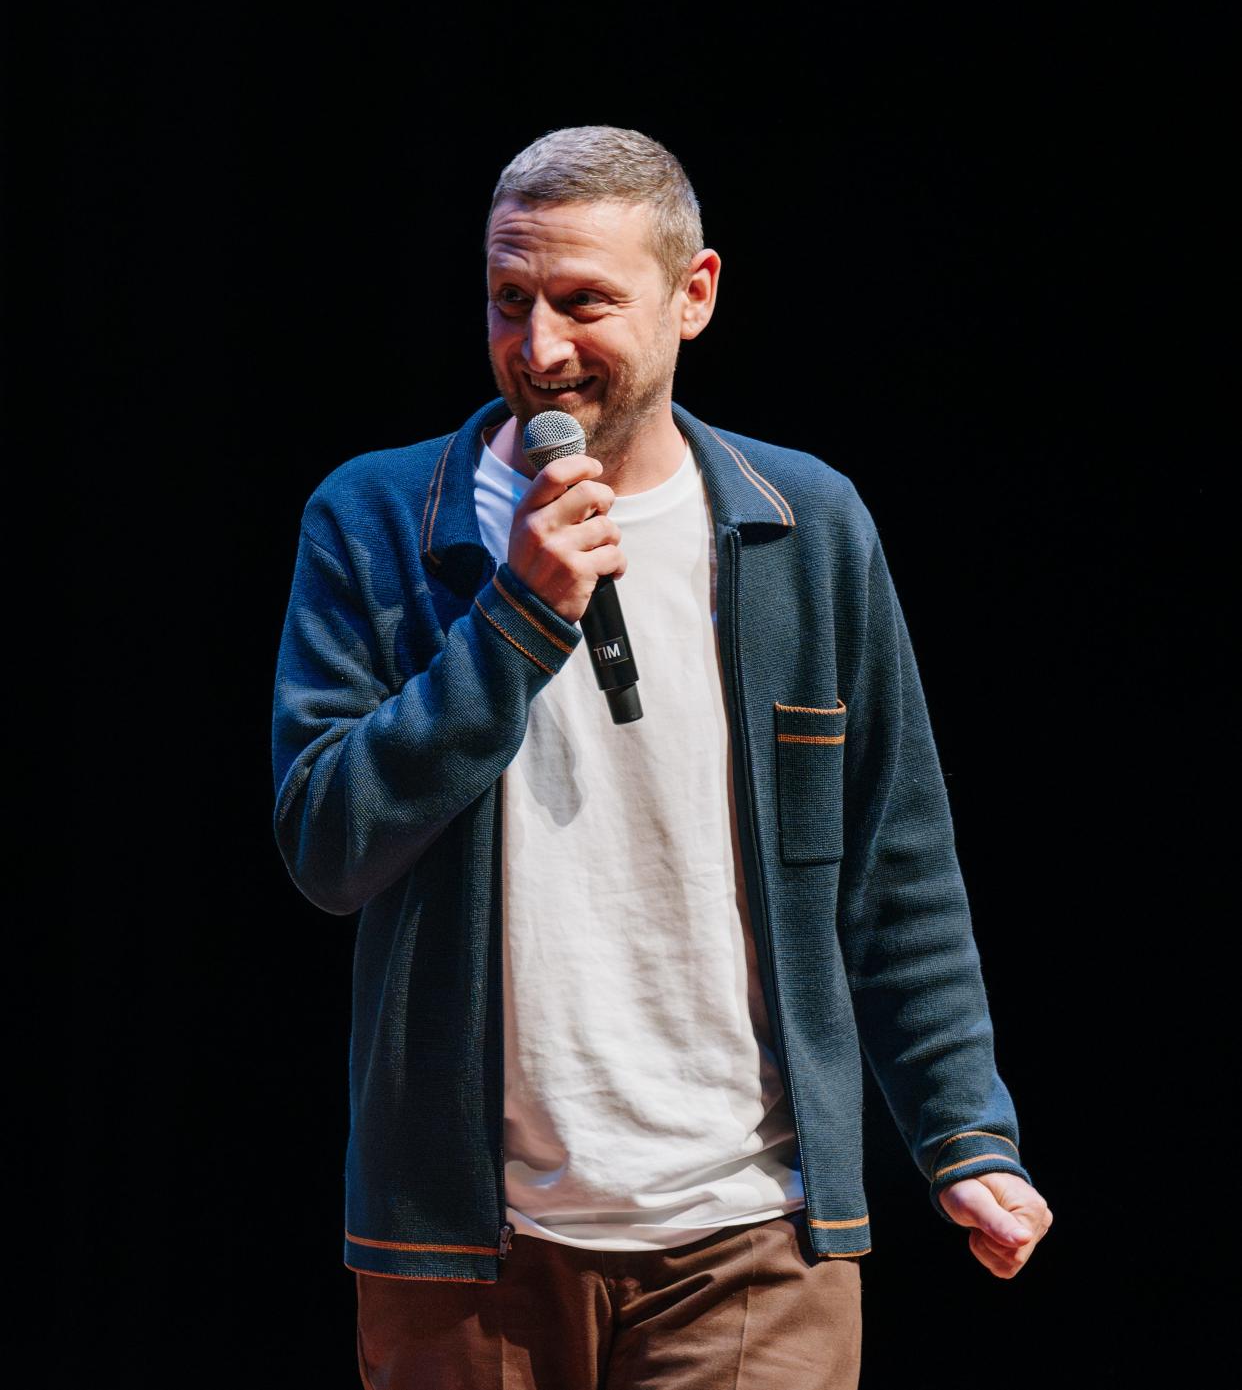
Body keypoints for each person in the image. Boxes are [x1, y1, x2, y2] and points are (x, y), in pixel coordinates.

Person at [271, 125, 1052, 1389]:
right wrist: (517, 618)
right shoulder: (376, 519)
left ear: (694, 296)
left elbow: (897, 868)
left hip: (753, 1229)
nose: (539, 349)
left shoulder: (806, 526)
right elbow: (325, 842)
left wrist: (968, 1134)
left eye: (585, 302)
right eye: (509, 300)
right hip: (466, 1248)